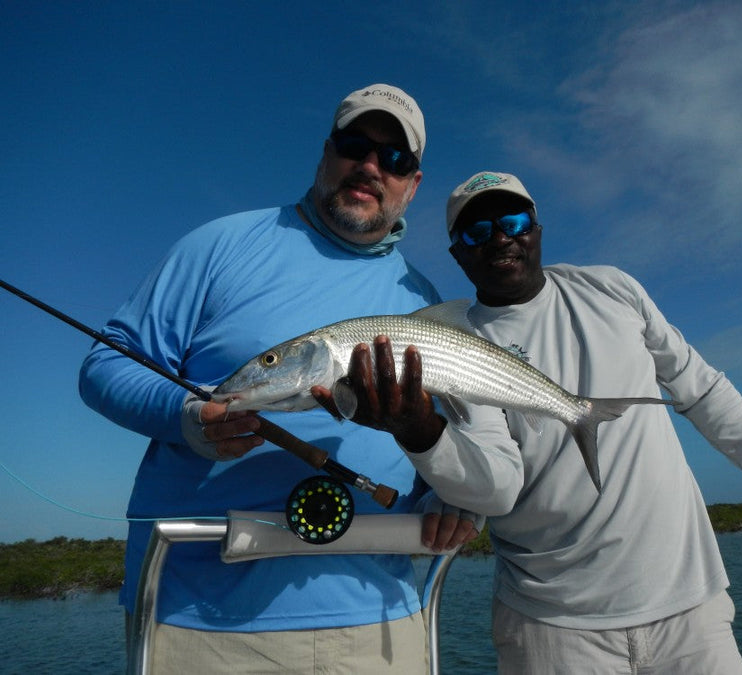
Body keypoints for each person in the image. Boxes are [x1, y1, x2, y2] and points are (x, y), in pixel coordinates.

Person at [318, 170, 742, 674]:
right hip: (550, 628)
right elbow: (496, 488)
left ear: (537, 229)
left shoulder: (613, 289)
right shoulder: (455, 345)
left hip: (691, 611)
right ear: (458, 254)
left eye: (513, 221)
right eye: (476, 233)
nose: (499, 239)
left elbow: (700, 387)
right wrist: (416, 429)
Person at [78, 83, 477, 673]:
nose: (371, 166)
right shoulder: (220, 245)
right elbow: (107, 363)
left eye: (396, 159)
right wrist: (188, 419)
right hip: (199, 619)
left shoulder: (424, 300)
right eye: (355, 144)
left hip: (382, 616)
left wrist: (447, 490)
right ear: (325, 153)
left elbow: (450, 430)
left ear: (412, 186)